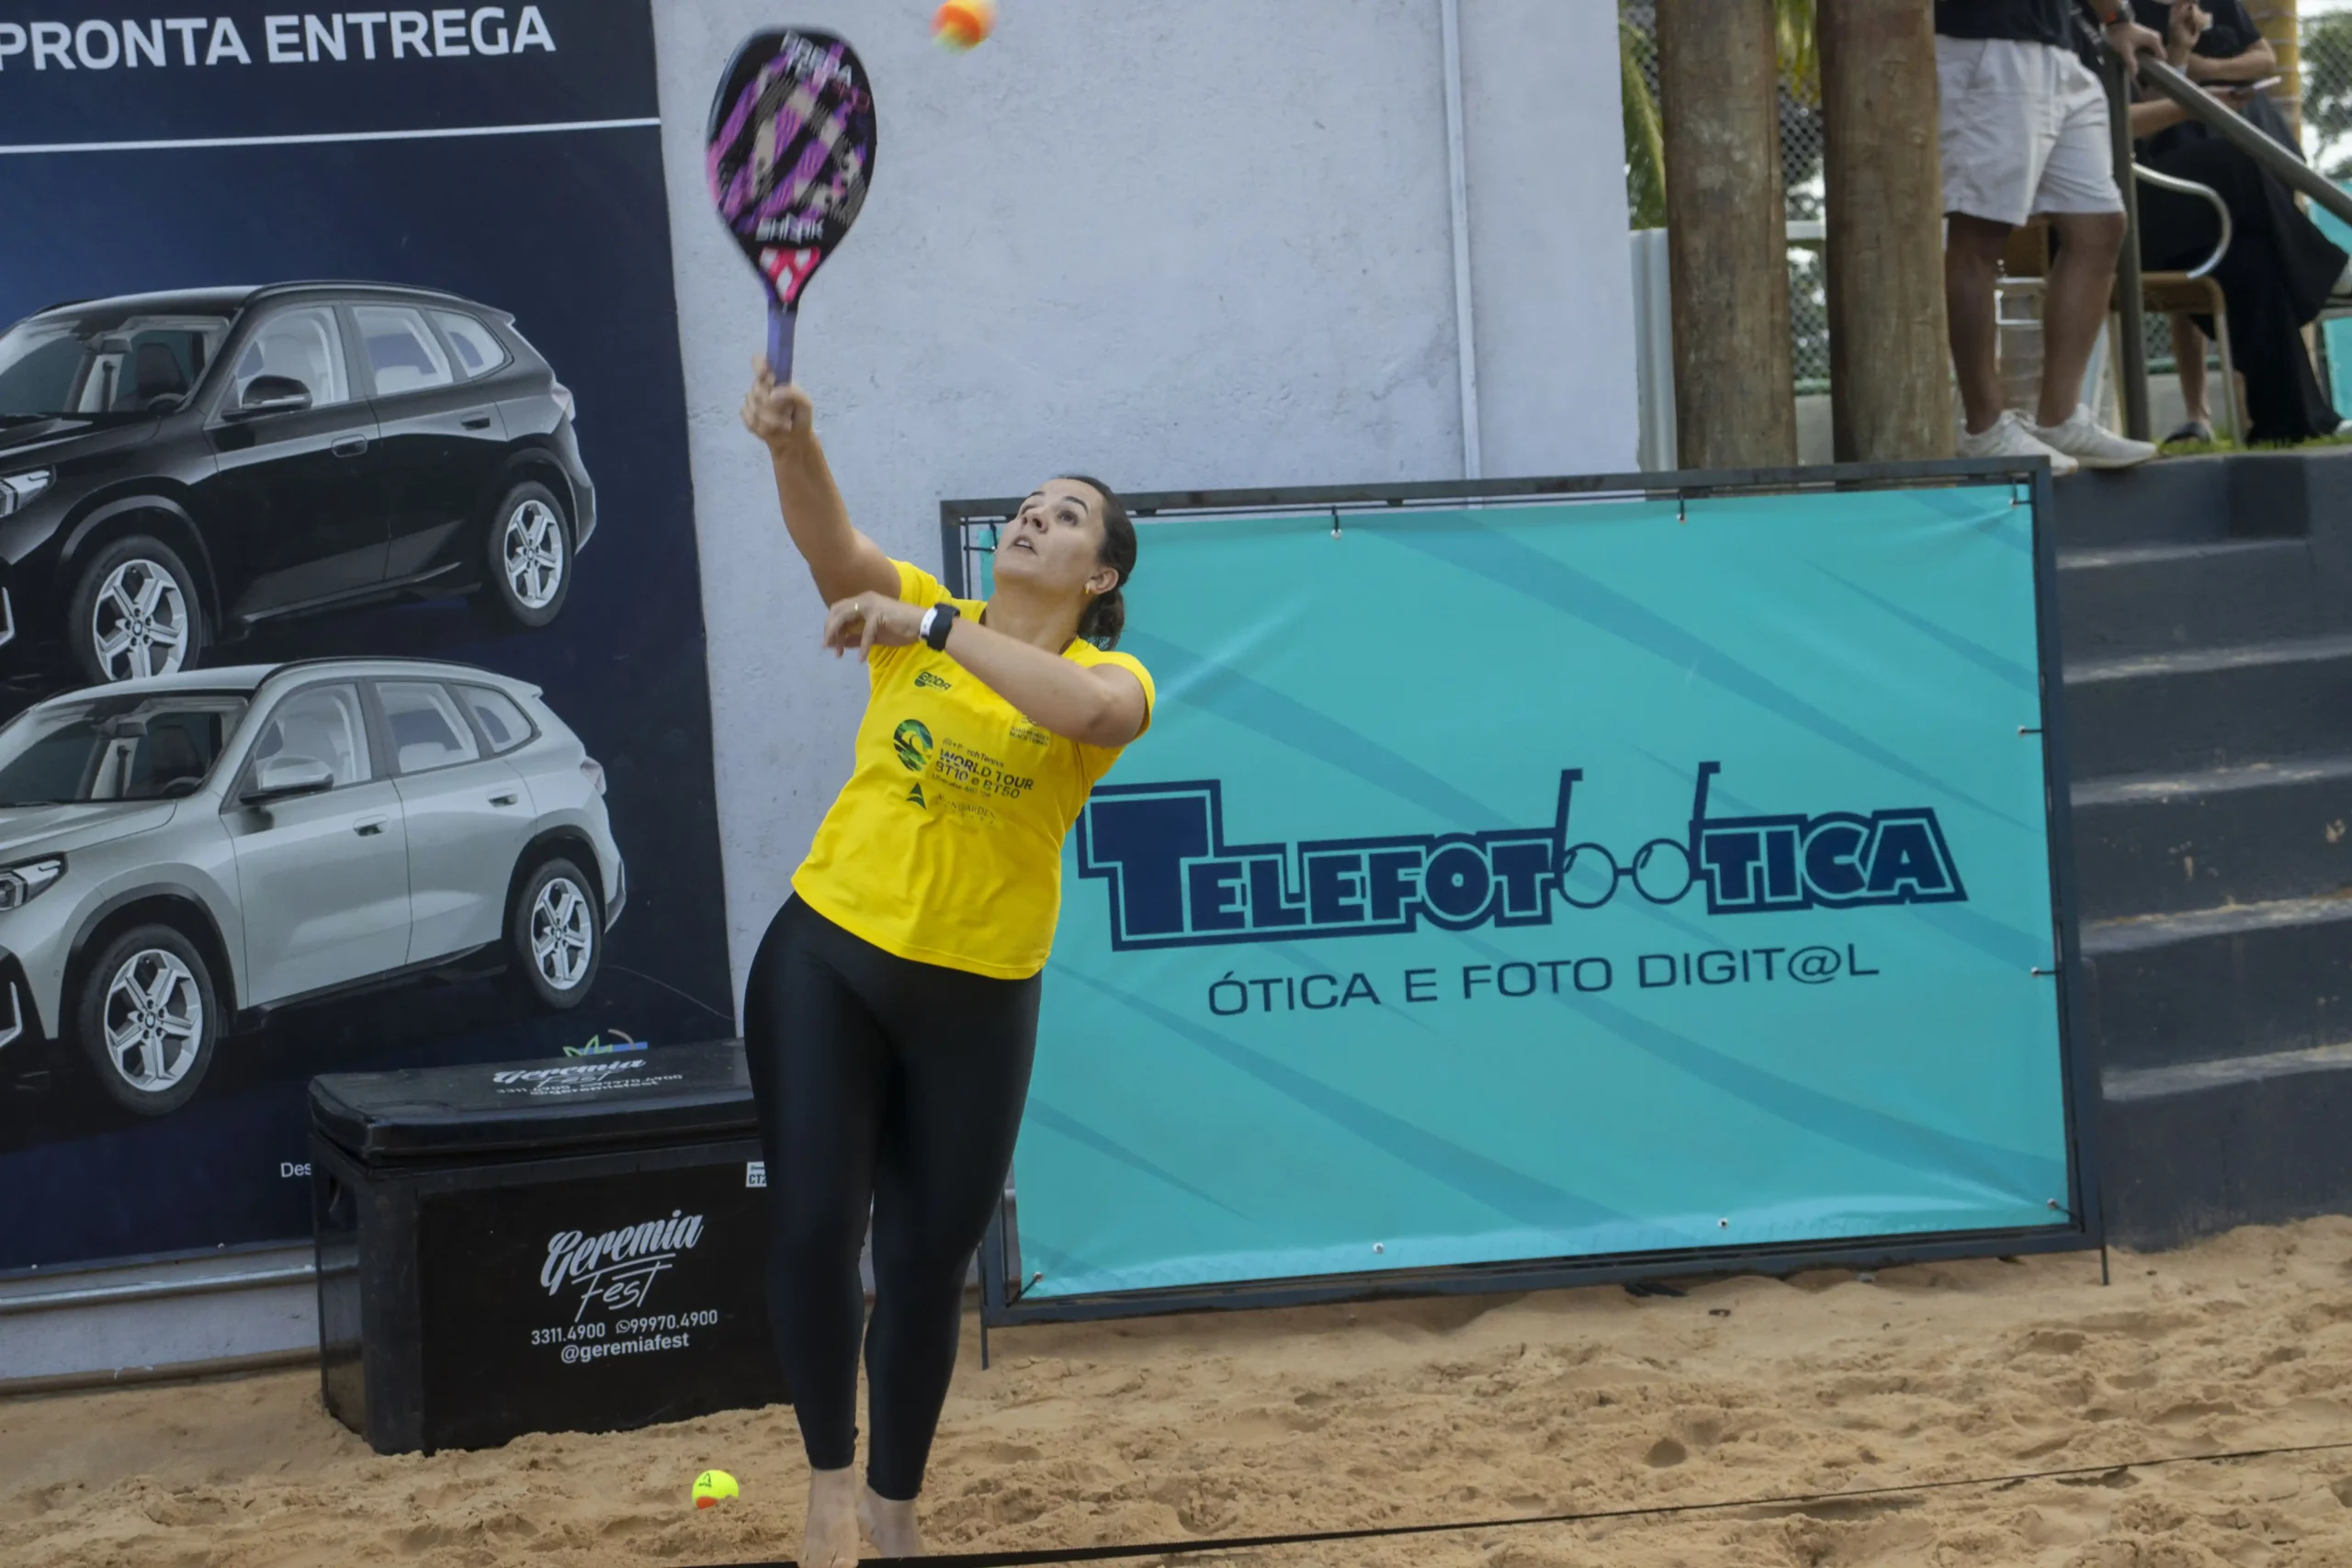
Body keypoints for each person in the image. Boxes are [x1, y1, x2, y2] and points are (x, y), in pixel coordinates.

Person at [737, 361, 1153, 1568]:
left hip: (978, 996)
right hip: (830, 957)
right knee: (817, 1226)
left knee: (924, 1270)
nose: (1033, 517)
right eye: (1028, 505)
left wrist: (928, 627)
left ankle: (894, 1508)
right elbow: (834, 551)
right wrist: (791, 444)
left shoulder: (1106, 677)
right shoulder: (918, 610)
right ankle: (828, 1486)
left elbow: (1085, 715)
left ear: (1100, 575)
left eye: (1065, 516)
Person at [1938, 0, 2165, 472]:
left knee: (2100, 226)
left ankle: (2060, 419)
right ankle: (1983, 428)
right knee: (1980, 232)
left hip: (2060, 47)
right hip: (1987, 39)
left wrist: (2116, 19)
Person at [2128, 0, 2350, 446]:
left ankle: (2294, 420)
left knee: (2254, 261)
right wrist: (2193, 101)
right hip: (2117, 197)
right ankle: (2328, 272)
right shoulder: (2100, 24)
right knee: (2237, 162)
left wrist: (2187, 58)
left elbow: (2263, 58)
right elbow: (2122, 125)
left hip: (2173, 178)